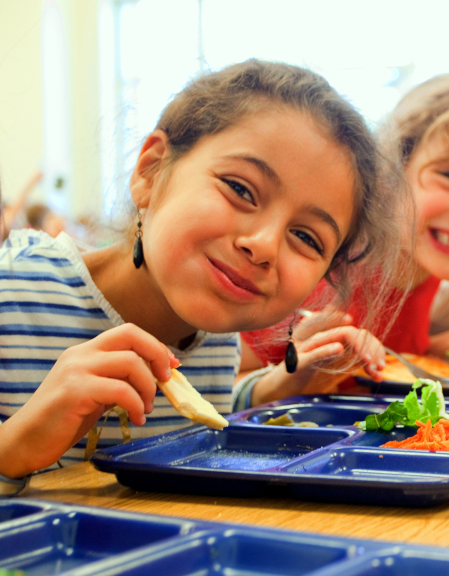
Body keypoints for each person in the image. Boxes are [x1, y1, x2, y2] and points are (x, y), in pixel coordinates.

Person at [0, 59, 409, 493]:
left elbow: (196, 411)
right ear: (151, 171)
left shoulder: (214, 338)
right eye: (240, 189)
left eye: (306, 237)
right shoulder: (14, 294)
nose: (265, 245)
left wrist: (279, 384)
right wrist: (12, 449)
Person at [237, 72, 449, 406]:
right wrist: (284, 382)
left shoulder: (423, 270)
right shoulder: (324, 273)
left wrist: (430, 350)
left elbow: (366, 367)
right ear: (391, 171)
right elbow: (209, 388)